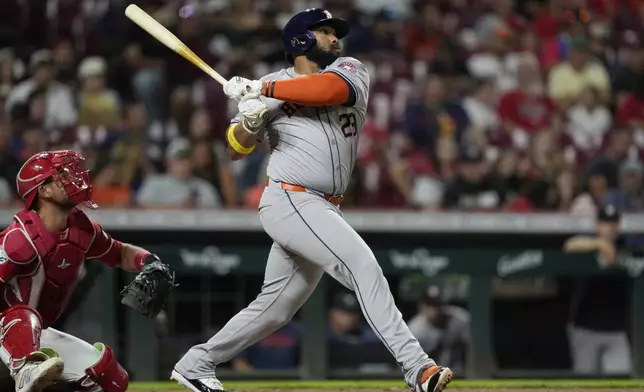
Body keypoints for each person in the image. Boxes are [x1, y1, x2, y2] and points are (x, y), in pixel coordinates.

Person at [171, 8, 453, 392]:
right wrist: (249, 125)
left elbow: (328, 92)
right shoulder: (268, 85)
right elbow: (235, 148)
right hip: (290, 199)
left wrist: (261, 91)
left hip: (324, 204)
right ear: (300, 40)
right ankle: (417, 366)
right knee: (361, 265)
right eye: (324, 32)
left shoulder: (350, 69)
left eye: (334, 32)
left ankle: (196, 364)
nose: (334, 38)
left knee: (277, 307)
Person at [0, 150, 176, 392]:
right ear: (43, 190)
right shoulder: (18, 239)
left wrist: (149, 261)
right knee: (20, 313)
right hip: (7, 336)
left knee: (110, 378)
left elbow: (120, 253)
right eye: (61, 174)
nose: (73, 178)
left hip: (34, 335)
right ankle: (25, 367)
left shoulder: (81, 231)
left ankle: (29, 366)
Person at [563, 204, 632, 375]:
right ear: (598, 225)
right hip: (586, 329)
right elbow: (569, 245)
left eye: (613, 223)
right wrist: (599, 243)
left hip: (616, 331)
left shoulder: (625, 247)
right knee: (585, 382)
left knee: (620, 381)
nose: (610, 227)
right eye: (606, 223)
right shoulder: (588, 245)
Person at [407, 285, 470, 375]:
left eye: (437, 304)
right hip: (427, 376)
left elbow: (472, 349)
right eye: (429, 304)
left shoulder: (460, 320)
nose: (434, 309)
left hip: (458, 374)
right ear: (421, 306)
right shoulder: (415, 330)